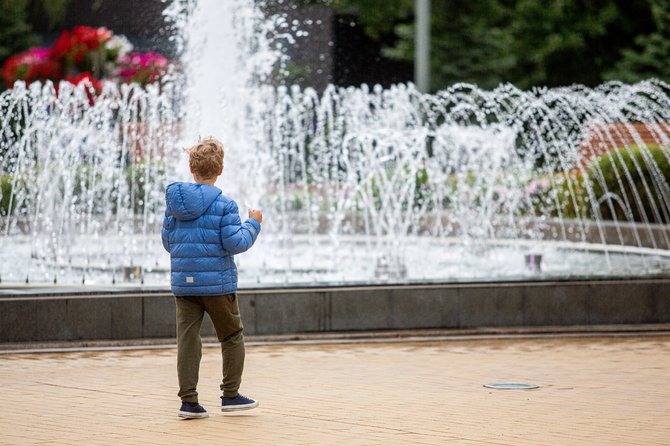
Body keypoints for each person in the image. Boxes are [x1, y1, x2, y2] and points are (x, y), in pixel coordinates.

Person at [161, 137, 262, 419]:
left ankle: (189, 402)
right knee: (231, 336)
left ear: (192, 169)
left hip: (184, 285)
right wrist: (254, 222)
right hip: (217, 286)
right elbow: (236, 243)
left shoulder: (174, 204)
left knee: (188, 340)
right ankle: (230, 396)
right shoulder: (225, 205)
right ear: (220, 169)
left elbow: (169, 242)